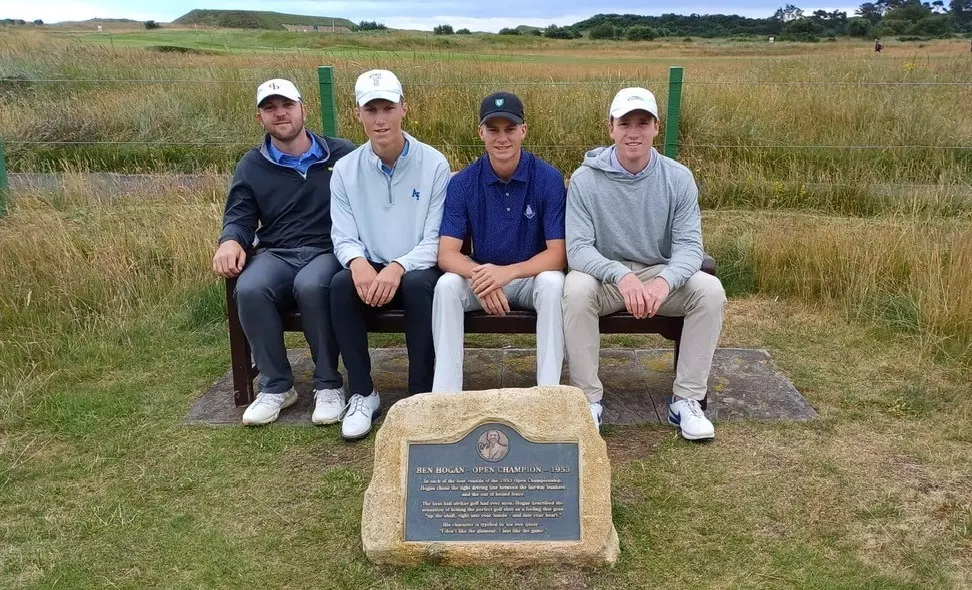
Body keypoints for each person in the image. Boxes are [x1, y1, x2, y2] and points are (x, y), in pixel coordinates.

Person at [562, 87, 726, 440]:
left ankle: (686, 400)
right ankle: (587, 401)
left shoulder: (678, 178)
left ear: (656, 127)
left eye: (642, 122)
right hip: (606, 277)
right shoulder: (585, 179)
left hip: (657, 275)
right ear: (610, 128)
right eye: (625, 122)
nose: (633, 131)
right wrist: (621, 275)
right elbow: (577, 249)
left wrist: (663, 282)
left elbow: (689, 247)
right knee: (574, 290)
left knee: (709, 291)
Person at [212, 78, 355, 426]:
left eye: (287, 105)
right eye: (270, 108)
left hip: (329, 250)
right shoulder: (252, 164)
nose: (280, 114)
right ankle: (277, 386)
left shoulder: (342, 153)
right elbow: (240, 215)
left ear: (303, 109)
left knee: (311, 285)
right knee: (249, 288)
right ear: (260, 117)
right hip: (277, 252)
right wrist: (230, 240)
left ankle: (328, 384)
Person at [329, 69, 452, 441]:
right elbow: (342, 233)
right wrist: (357, 262)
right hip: (371, 267)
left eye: (387, 107)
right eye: (371, 110)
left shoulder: (434, 164)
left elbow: (436, 240)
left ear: (404, 109)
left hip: (416, 265)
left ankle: (420, 394)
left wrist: (398, 266)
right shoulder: (346, 169)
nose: (380, 119)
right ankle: (364, 395)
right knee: (339, 286)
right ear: (358, 115)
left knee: (419, 287)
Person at [431, 91, 566, 393]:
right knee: (446, 287)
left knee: (554, 284)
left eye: (509, 129)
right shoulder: (463, 182)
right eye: (493, 129)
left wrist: (506, 273)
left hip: (529, 277)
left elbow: (557, 255)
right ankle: (446, 396)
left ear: (523, 131)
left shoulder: (548, 178)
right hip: (482, 278)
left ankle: (549, 393)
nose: (501, 138)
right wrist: (485, 278)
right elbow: (447, 254)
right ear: (481, 132)